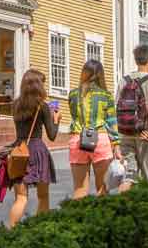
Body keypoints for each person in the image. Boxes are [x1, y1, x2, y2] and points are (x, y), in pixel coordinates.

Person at [7, 69, 60, 227]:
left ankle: (11, 231)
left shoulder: (15, 105)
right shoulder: (42, 106)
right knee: (43, 196)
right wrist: (55, 119)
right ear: (38, 86)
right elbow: (52, 135)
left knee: (21, 198)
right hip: (37, 150)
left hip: (19, 151)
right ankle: (40, 228)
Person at [68, 59, 121, 198]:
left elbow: (74, 116)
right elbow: (111, 122)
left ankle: (75, 219)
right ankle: (99, 219)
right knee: (102, 189)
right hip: (100, 139)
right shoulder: (106, 96)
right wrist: (116, 144)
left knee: (79, 189)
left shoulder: (73, 95)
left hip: (78, 138)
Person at [118, 43, 148, 191]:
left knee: (128, 175)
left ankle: (122, 207)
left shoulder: (124, 81)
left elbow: (117, 107)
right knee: (147, 177)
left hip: (125, 133)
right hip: (144, 134)